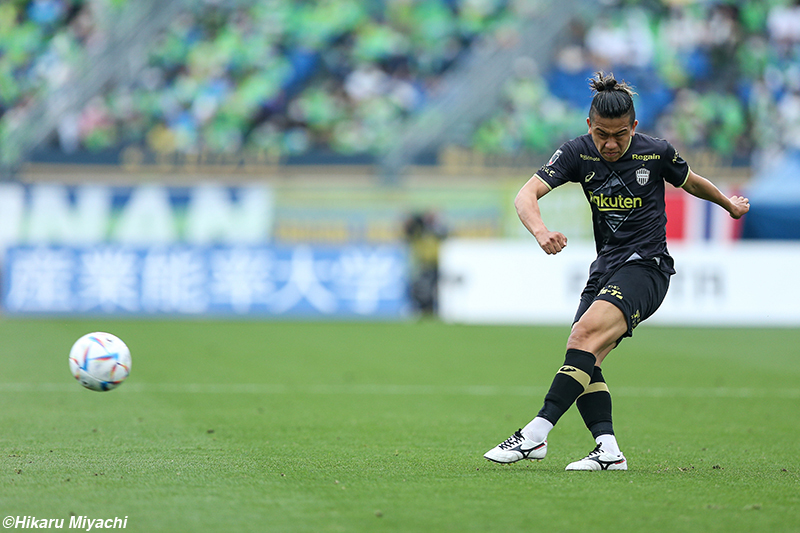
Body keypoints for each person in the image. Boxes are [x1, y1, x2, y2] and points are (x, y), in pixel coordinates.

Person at [483, 71, 750, 471]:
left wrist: (729, 205)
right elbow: (526, 194)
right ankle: (608, 451)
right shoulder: (576, 152)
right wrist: (540, 231)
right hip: (605, 267)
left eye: (620, 135)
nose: (610, 144)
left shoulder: (656, 152)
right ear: (589, 125)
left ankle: (535, 434)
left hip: (647, 266)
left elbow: (692, 183)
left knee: (583, 337)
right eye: (602, 134)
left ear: (634, 127)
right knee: (584, 355)